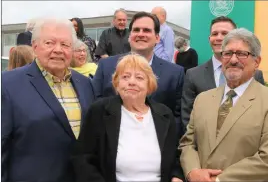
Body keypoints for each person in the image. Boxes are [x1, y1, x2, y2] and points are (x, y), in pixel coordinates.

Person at [179, 28, 268, 181]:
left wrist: (217, 180)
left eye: (241, 54)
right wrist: (193, 171)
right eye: (228, 53)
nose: (233, 60)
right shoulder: (202, 99)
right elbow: (188, 143)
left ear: (257, 61)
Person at [1, 18, 96, 181]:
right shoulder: (7, 84)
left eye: (65, 45)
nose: (58, 50)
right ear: (35, 46)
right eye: (50, 43)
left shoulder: (86, 84)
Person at [72, 54, 184, 182]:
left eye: (139, 77)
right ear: (116, 83)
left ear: (149, 84)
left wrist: (177, 177)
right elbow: (83, 158)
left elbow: (175, 157)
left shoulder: (164, 114)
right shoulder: (100, 111)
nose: (132, 82)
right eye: (125, 77)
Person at [92, 11, 185, 137]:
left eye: (146, 30)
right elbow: (95, 106)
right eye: (136, 30)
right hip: (112, 145)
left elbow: (177, 116)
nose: (141, 34)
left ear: (157, 38)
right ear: (130, 36)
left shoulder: (175, 73)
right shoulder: (106, 66)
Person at [180, 16, 236, 129]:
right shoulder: (193, 75)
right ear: (209, 39)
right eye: (215, 34)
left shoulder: (253, 75)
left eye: (225, 33)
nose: (219, 38)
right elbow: (187, 118)